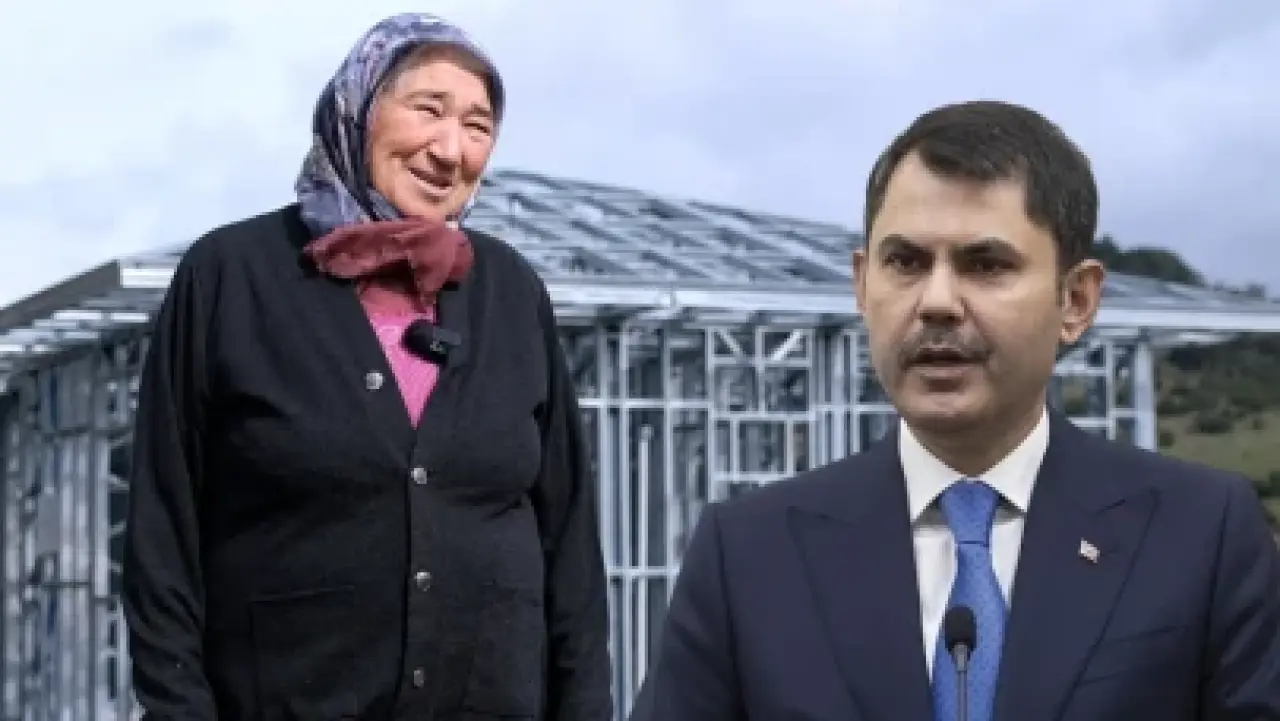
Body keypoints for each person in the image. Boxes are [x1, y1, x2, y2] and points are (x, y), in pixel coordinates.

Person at [630, 101, 1280, 721]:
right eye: (905, 262)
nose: (937, 301)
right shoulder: (750, 556)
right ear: (862, 284)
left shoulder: (1201, 535)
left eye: (985, 265)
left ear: (1076, 300)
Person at [121, 13, 611, 721]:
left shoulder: (510, 291)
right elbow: (162, 534)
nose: (450, 149)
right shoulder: (230, 277)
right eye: (428, 110)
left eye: (478, 126)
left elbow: (569, 544)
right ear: (357, 107)